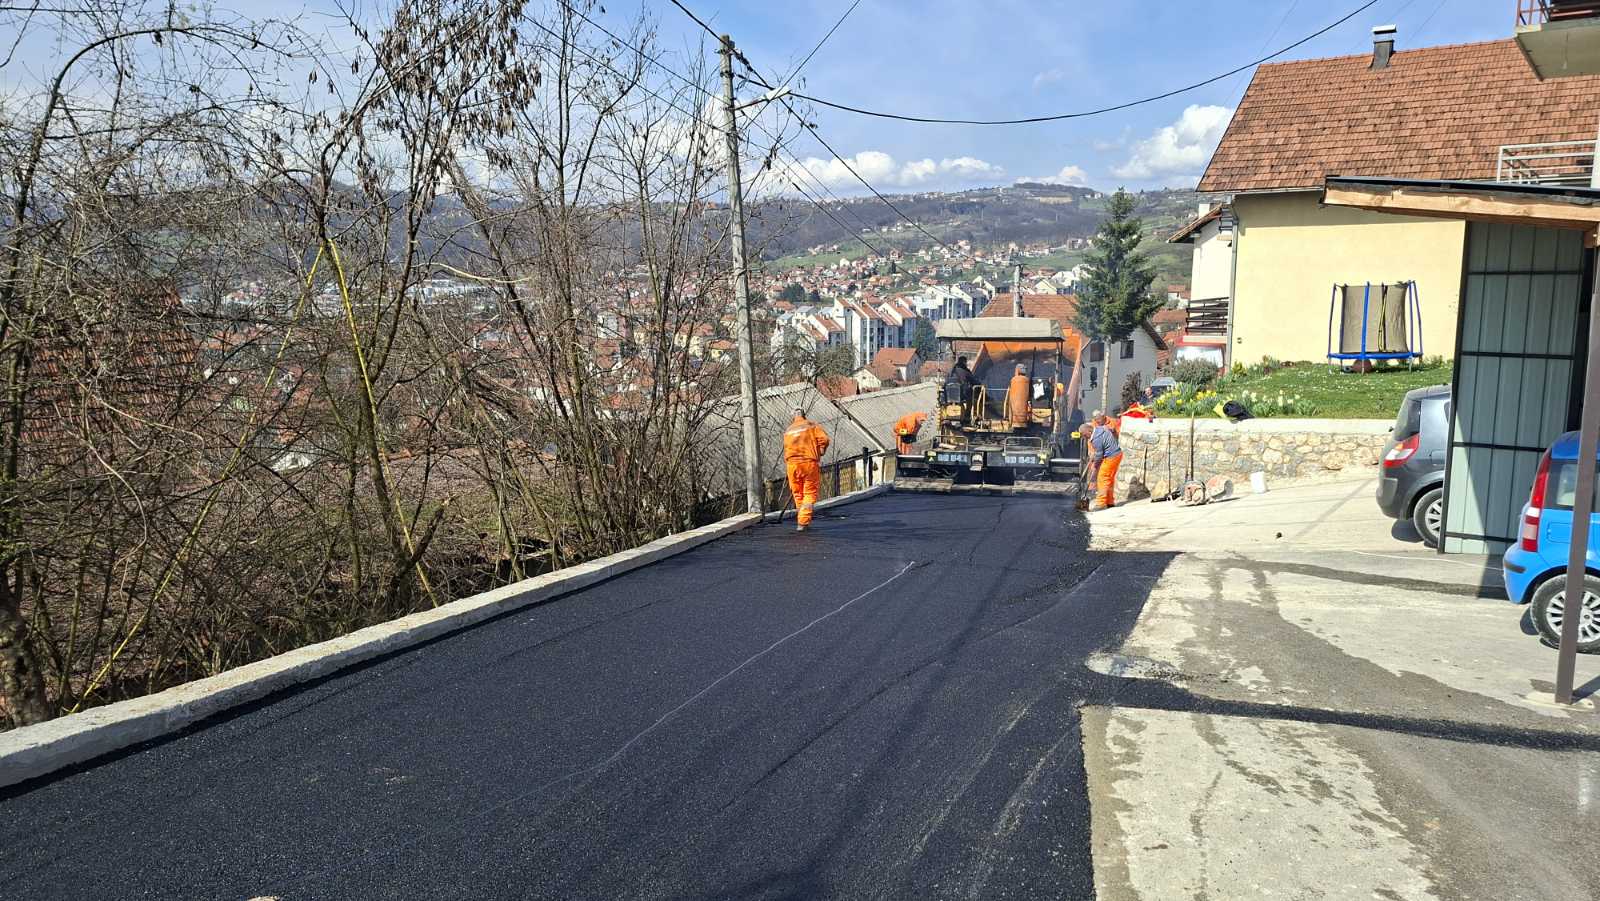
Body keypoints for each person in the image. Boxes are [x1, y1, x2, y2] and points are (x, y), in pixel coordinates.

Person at [783, 406, 831, 532]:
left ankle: (802, 519)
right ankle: (803, 523)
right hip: (808, 463)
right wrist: (821, 450)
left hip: (792, 465)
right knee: (809, 493)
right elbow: (824, 439)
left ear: (792, 417)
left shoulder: (788, 430)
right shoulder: (811, 425)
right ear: (804, 415)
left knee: (798, 493)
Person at [1086, 410, 1123, 511]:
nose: (1097, 422)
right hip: (1113, 454)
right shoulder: (1095, 427)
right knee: (1109, 479)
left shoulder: (1111, 423)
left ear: (1103, 417)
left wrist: (1096, 462)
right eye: (1095, 420)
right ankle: (1109, 501)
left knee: (1102, 478)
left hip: (1110, 455)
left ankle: (1101, 503)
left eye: (1098, 419)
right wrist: (1092, 454)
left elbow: (1099, 453)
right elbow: (1094, 446)